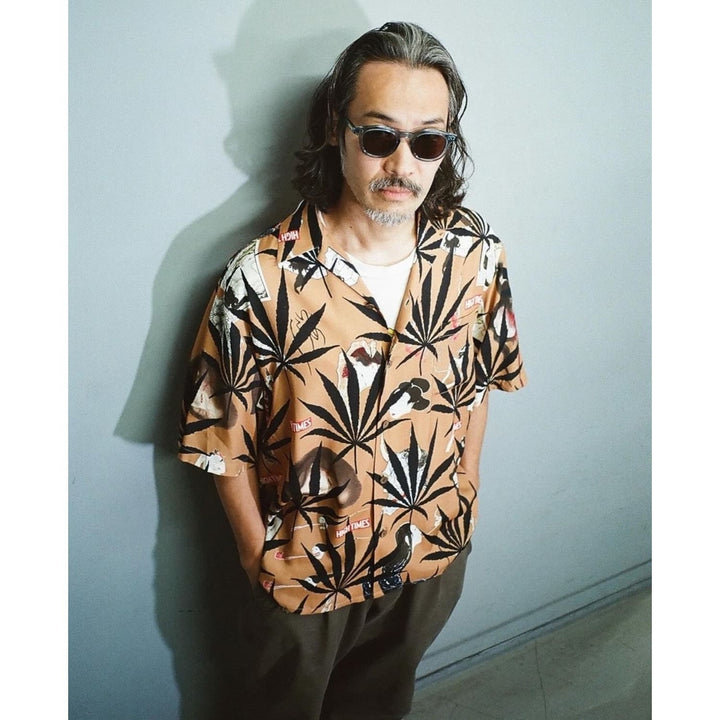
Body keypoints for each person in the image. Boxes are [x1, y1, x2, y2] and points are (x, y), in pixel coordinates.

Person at [178, 20, 526, 720]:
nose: (403, 165)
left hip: (430, 553)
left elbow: (481, 383)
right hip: (306, 576)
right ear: (337, 132)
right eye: (378, 136)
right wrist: (256, 555)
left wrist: (467, 487)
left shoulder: (475, 254)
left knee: (381, 707)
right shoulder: (261, 279)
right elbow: (216, 439)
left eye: (428, 141)